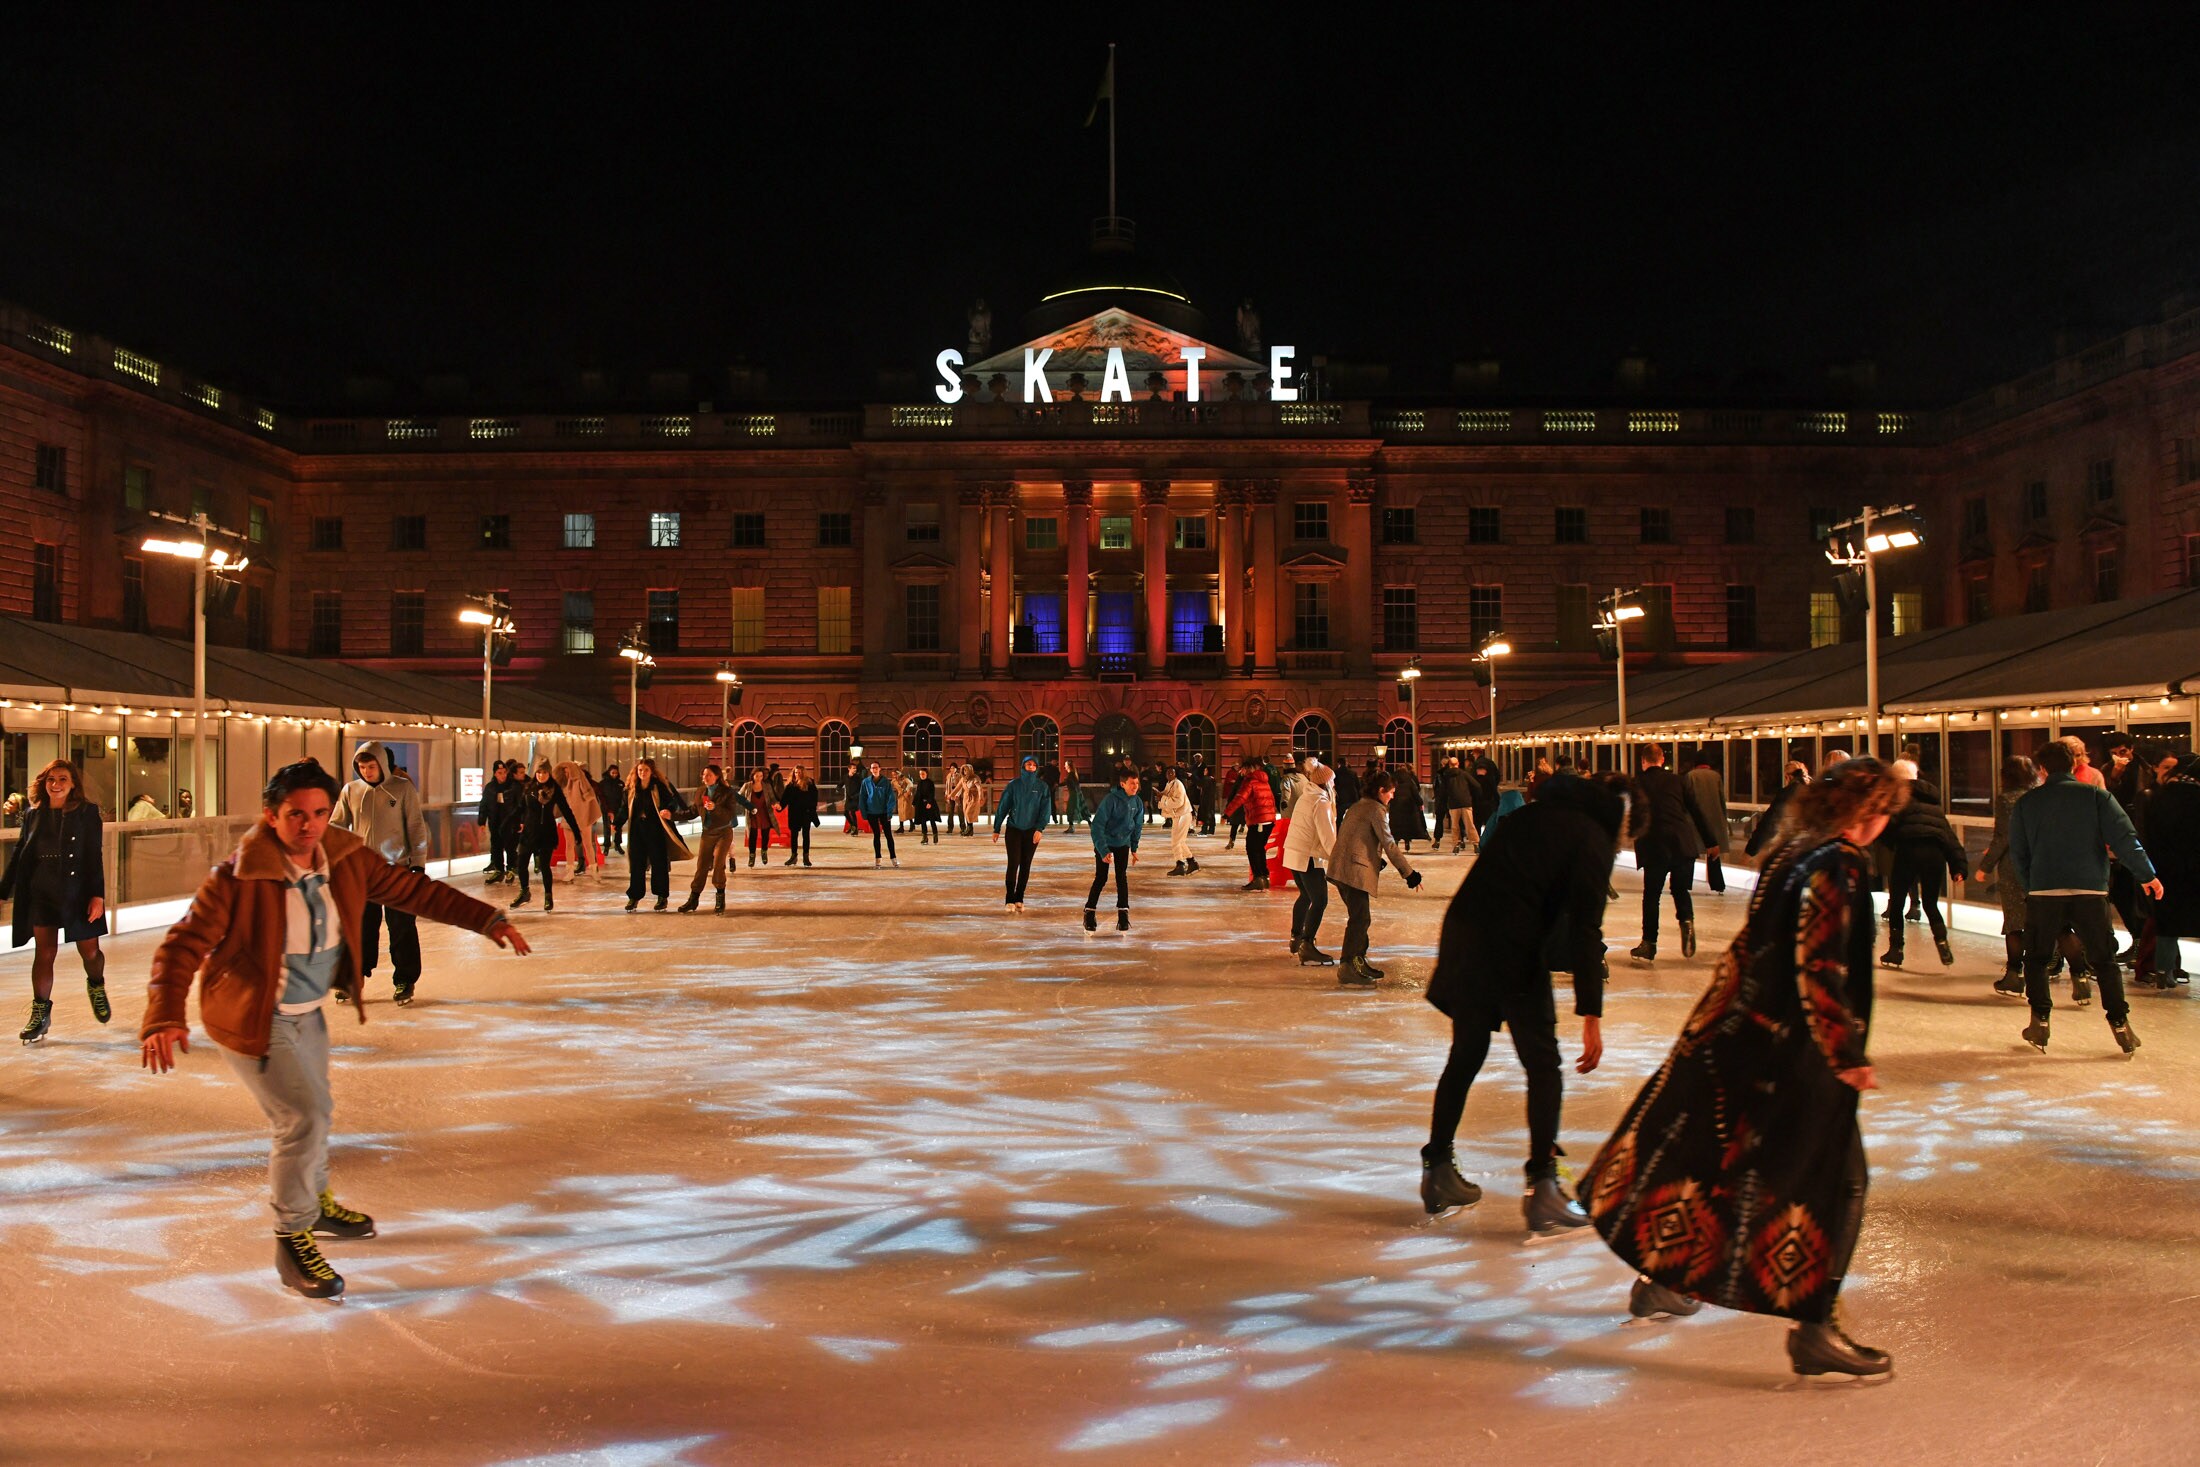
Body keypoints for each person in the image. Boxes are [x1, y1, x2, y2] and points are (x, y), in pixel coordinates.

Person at [140, 759, 531, 1301]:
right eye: (296, 814)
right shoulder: (237, 877)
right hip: (255, 1017)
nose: (309, 825)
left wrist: (485, 919)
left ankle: (316, 1203)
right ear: (271, 816)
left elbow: (413, 891)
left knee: (317, 1110)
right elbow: (181, 945)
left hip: (308, 1011)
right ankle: (291, 1239)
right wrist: (164, 1015)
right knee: (300, 1118)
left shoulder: (345, 859)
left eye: (320, 813)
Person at [1584, 758, 1906, 1375]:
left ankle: (1667, 1283)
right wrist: (1843, 1052)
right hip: (1795, 1055)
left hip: (1740, 1042)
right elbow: (1819, 962)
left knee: (1724, 1164)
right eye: (1885, 810)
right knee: (1840, 1182)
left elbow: (1748, 949)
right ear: (1868, 812)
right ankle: (1815, 1330)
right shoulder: (1838, 863)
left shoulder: (1790, 853)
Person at [1420, 772, 1621, 1233]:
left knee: (1466, 1053)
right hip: (1512, 947)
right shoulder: (1592, 835)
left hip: (1466, 934)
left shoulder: (1531, 816)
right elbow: (1586, 928)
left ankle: (1437, 1170)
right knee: (1544, 1066)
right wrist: (1592, 1014)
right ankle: (1544, 1188)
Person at [2010, 738, 2160, 1055]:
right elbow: (2125, 838)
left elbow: (2019, 853)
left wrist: (2031, 885)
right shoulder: (2097, 796)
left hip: (2044, 892)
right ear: (2074, 764)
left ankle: (2040, 1020)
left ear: (2042, 769)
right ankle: (2120, 1025)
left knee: (2036, 958)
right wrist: (2147, 875)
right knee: (2104, 961)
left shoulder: (2027, 803)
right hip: (2090, 891)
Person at [3, 759, 110, 1044]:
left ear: (73, 784)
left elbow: (94, 856)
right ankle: (40, 1014)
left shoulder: (87, 813)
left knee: (90, 952)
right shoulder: (33, 814)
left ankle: (96, 984)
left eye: (63, 779)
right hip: (42, 892)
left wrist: (97, 895)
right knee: (44, 952)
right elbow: (20, 854)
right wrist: (2, 891)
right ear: (44, 783)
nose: (56, 784)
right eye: (51, 779)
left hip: (78, 893)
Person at [330, 741, 431, 1005]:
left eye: (371, 766)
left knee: (401, 927)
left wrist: (418, 864)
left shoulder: (402, 788)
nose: (367, 772)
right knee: (359, 927)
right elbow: (336, 826)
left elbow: (416, 827)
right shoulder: (350, 791)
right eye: (362, 767)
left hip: (397, 870)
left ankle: (404, 979)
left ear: (382, 764)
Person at [1330, 770, 1426, 986]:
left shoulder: (1359, 805)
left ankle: (1358, 961)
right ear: (1381, 791)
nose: (1392, 796)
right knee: (1360, 918)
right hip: (1352, 869)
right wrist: (1410, 874)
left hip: (1341, 867)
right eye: (1390, 792)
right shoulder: (1375, 810)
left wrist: (1374, 858)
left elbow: (1355, 836)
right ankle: (1348, 966)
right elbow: (1389, 844)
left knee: (1360, 916)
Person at [1628, 744, 1718, 964]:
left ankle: (1649, 943)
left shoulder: (1637, 783)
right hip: (1681, 843)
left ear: (1643, 761)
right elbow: (1696, 811)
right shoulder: (1678, 780)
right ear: (1662, 759)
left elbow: (1632, 814)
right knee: (1680, 890)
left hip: (1654, 845)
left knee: (1652, 896)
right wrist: (1711, 842)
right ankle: (1686, 922)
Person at [1878, 759, 1966, 968]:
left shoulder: (1898, 799)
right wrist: (1958, 866)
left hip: (1907, 852)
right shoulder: (1933, 802)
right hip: (1934, 856)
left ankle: (1896, 950)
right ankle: (1942, 943)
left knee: (1897, 903)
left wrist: (1890, 843)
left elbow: (1887, 829)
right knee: (1930, 903)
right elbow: (1948, 836)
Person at [2135, 749, 2197, 989]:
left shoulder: (2158, 796)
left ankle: (2164, 970)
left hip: (2164, 869)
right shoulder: (2193, 796)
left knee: (2167, 922)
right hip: (2189, 868)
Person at [1282, 758, 1339, 966]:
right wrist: (1338, 859)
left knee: (1306, 896)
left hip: (1294, 852)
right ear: (1326, 783)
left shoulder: (1307, 796)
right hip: (1307, 856)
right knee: (1320, 900)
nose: (1334, 784)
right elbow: (1327, 836)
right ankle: (1306, 945)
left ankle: (1296, 937)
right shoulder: (1320, 802)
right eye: (1332, 781)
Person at [1082, 766, 1143, 933]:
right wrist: (1103, 850)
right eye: (1132, 783)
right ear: (1123, 784)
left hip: (1123, 843)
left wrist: (1134, 847)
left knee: (1121, 878)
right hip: (1106, 842)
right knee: (1101, 878)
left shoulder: (1137, 802)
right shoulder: (1111, 800)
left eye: (1137, 783)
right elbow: (1097, 826)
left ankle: (1123, 915)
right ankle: (1089, 912)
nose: (1135, 786)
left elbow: (1137, 826)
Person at [623, 758, 687, 911]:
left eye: (646, 770)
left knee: (659, 864)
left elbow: (672, 802)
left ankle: (662, 896)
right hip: (637, 830)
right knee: (637, 864)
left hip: (655, 829)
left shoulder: (658, 786)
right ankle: (634, 896)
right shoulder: (632, 788)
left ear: (651, 772)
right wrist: (617, 823)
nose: (642, 773)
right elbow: (624, 808)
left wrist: (668, 810)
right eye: (640, 770)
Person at [993, 753, 1052, 910]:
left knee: (1026, 865)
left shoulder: (1042, 787)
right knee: (1013, 863)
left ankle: (1019, 898)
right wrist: (997, 828)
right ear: (1023, 766)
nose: (1031, 767)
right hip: (1014, 829)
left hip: (1031, 831)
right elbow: (1003, 806)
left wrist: (1040, 828)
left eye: (1034, 765)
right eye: (1028, 764)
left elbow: (1045, 810)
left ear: (1036, 767)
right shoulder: (1014, 785)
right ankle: (1009, 899)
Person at [680, 764, 740, 911]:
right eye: (704, 775)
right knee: (701, 866)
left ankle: (720, 898)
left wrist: (715, 808)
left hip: (723, 833)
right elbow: (693, 811)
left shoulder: (727, 792)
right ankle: (693, 899)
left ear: (717, 776)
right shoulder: (701, 791)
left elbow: (730, 814)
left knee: (718, 864)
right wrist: (672, 816)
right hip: (707, 833)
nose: (705, 778)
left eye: (709, 775)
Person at [507, 775, 568, 912]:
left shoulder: (553, 789)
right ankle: (524, 892)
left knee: (544, 866)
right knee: (521, 863)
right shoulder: (529, 788)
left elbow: (564, 809)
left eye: (544, 772)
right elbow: (521, 807)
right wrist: (515, 822)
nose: (541, 775)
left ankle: (548, 896)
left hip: (546, 833)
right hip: (529, 832)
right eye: (539, 772)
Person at [1225, 753, 1277, 890]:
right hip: (1268, 820)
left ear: (1249, 768)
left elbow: (1240, 798)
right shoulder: (1263, 780)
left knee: (1252, 848)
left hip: (1259, 820)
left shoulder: (1250, 781)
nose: (1241, 772)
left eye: (1243, 769)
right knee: (1259, 848)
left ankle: (1258, 878)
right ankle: (1264, 877)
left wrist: (1226, 814)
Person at [1682, 755, 1730, 893]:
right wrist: (1723, 818)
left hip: (1694, 821)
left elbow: (1687, 799)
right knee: (1713, 853)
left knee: (1691, 853)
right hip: (1715, 820)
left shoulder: (1690, 776)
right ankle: (1718, 885)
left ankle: (1685, 883)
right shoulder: (1716, 776)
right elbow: (1721, 799)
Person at [553, 761, 605, 881]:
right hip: (568, 818)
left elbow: (589, 795)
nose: (566, 773)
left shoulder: (580, 780)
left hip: (582, 816)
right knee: (569, 845)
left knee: (587, 844)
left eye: (568, 771)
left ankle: (594, 870)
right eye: (564, 771)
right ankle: (570, 871)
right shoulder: (561, 784)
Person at [1745, 762, 1810, 858]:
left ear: (1788, 777)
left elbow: (1770, 822)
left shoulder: (1786, 794)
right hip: (1808, 848)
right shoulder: (1813, 794)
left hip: (1789, 848)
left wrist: (1751, 849)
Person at [478, 761, 522, 883]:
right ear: (495, 773)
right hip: (495, 822)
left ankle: (511, 869)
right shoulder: (490, 788)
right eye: (499, 773)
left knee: (510, 847)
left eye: (504, 772)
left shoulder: (514, 786)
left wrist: (521, 821)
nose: (503, 775)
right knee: (496, 846)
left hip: (510, 822)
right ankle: (499, 870)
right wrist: (482, 822)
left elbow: (521, 805)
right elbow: (484, 805)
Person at [857, 760, 899, 867]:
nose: (874, 769)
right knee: (876, 835)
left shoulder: (886, 782)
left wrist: (889, 812)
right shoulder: (866, 782)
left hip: (884, 812)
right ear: (870, 770)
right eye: (872, 768)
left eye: (876, 767)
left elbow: (891, 798)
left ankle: (893, 858)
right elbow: (862, 797)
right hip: (871, 812)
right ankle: (878, 858)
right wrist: (864, 813)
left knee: (888, 835)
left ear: (880, 769)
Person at [779, 765, 819, 867]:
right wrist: (779, 807)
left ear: (803, 773)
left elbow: (814, 798)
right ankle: (793, 856)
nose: (798, 774)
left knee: (806, 835)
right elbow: (784, 799)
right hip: (794, 813)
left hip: (806, 813)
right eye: (796, 772)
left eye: (800, 772)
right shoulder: (791, 785)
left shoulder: (809, 783)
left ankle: (806, 857)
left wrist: (812, 809)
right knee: (794, 835)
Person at [1159, 765, 1196, 875]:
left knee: (1177, 841)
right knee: (1179, 841)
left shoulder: (1178, 784)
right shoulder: (1170, 784)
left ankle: (1181, 864)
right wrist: (1160, 796)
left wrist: (1162, 799)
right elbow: (1166, 796)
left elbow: (1178, 801)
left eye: (1172, 773)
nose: (1170, 774)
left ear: (1175, 774)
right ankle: (1191, 862)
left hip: (1183, 814)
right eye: (1168, 773)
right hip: (1179, 815)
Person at [1441, 757, 1480, 854]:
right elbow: (1476, 785)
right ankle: (1476, 844)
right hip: (1466, 802)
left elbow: (1443, 791)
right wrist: (1470, 795)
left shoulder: (1446, 776)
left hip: (1453, 803)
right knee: (1470, 824)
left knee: (1455, 826)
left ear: (1449, 764)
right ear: (1458, 764)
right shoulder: (1464, 774)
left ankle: (1456, 845)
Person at [1389, 764, 1430, 852]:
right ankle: (1407, 841)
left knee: (1396, 824)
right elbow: (1415, 793)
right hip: (1408, 806)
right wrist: (1420, 803)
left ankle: (1396, 841)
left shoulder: (1392, 780)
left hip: (1395, 805)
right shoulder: (1409, 780)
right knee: (1406, 825)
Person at [740, 768, 775, 867]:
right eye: (757, 776)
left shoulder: (767, 786)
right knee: (752, 836)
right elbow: (739, 797)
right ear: (753, 776)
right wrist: (746, 805)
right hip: (752, 814)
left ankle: (764, 852)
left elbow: (772, 798)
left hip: (765, 813)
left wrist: (776, 804)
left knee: (765, 835)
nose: (759, 778)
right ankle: (752, 856)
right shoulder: (747, 786)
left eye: (761, 776)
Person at [597, 763, 628, 855]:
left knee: (618, 827)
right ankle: (606, 846)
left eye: (616, 773)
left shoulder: (620, 783)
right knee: (607, 827)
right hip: (606, 808)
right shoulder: (603, 784)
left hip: (618, 808)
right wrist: (607, 809)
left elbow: (623, 797)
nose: (614, 775)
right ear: (609, 772)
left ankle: (617, 844)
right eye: (612, 773)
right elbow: (601, 797)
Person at [913, 767, 942, 845]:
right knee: (923, 821)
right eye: (920, 774)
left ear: (926, 774)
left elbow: (932, 794)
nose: (921, 775)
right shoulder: (919, 783)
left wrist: (929, 802)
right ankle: (924, 837)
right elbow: (917, 793)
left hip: (930, 804)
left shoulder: (930, 783)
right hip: (921, 805)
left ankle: (935, 835)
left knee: (932, 820)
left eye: (923, 774)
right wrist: (914, 802)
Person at [959, 763, 987, 838]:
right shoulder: (963, 779)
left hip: (973, 798)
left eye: (966, 770)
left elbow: (979, 788)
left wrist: (980, 796)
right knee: (966, 813)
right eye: (964, 770)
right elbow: (958, 787)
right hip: (966, 798)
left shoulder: (975, 778)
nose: (965, 772)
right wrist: (951, 795)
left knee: (968, 813)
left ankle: (969, 829)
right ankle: (969, 830)